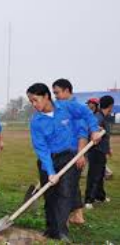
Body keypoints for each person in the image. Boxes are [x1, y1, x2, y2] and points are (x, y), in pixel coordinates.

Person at [27, 83, 101, 242]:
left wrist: (94, 130)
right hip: (48, 159)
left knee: (65, 193)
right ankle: (50, 229)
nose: (34, 104)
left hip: (68, 157)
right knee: (50, 194)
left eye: (35, 100)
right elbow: (41, 149)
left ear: (46, 96)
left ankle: (61, 232)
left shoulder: (66, 107)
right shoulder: (36, 122)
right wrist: (50, 171)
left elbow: (87, 113)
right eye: (31, 101)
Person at [52, 78, 87, 224]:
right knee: (71, 184)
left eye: (57, 93)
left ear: (67, 91)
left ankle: (63, 220)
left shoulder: (75, 108)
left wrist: (80, 154)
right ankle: (78, 215)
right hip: (61, 152)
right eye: (54, 94)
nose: (56, 97)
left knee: (66, 186)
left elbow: (82, 133)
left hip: (73, 153)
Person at [85, 95, 114, 209]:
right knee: (94, 175)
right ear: (110, 106)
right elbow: (90, 130)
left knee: (100, 174)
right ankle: (88, 200)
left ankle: (100, 196)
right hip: (95, 151)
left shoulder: (104, 117)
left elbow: (105, 136)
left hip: (101, 151)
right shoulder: (98, 117)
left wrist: (108, 149)